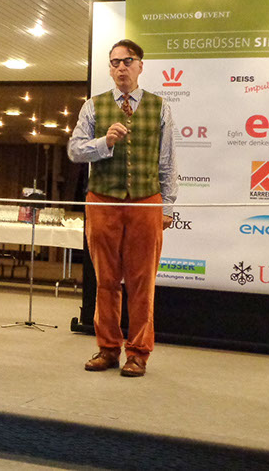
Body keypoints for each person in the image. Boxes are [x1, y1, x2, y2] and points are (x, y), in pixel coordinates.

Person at [68, 39, 177, 377]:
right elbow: (74, 150)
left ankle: (139, 352)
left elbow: (167, 162)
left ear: (141, 65)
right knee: (106, 280)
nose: (121, 68)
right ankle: (108, 348)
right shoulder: (93, 107)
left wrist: (168, 206)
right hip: (102, 201)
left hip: (146, 202)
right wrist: (105, 142)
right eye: (114, 62)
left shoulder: (160, 107)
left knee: (142, 282)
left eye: (127, 61)